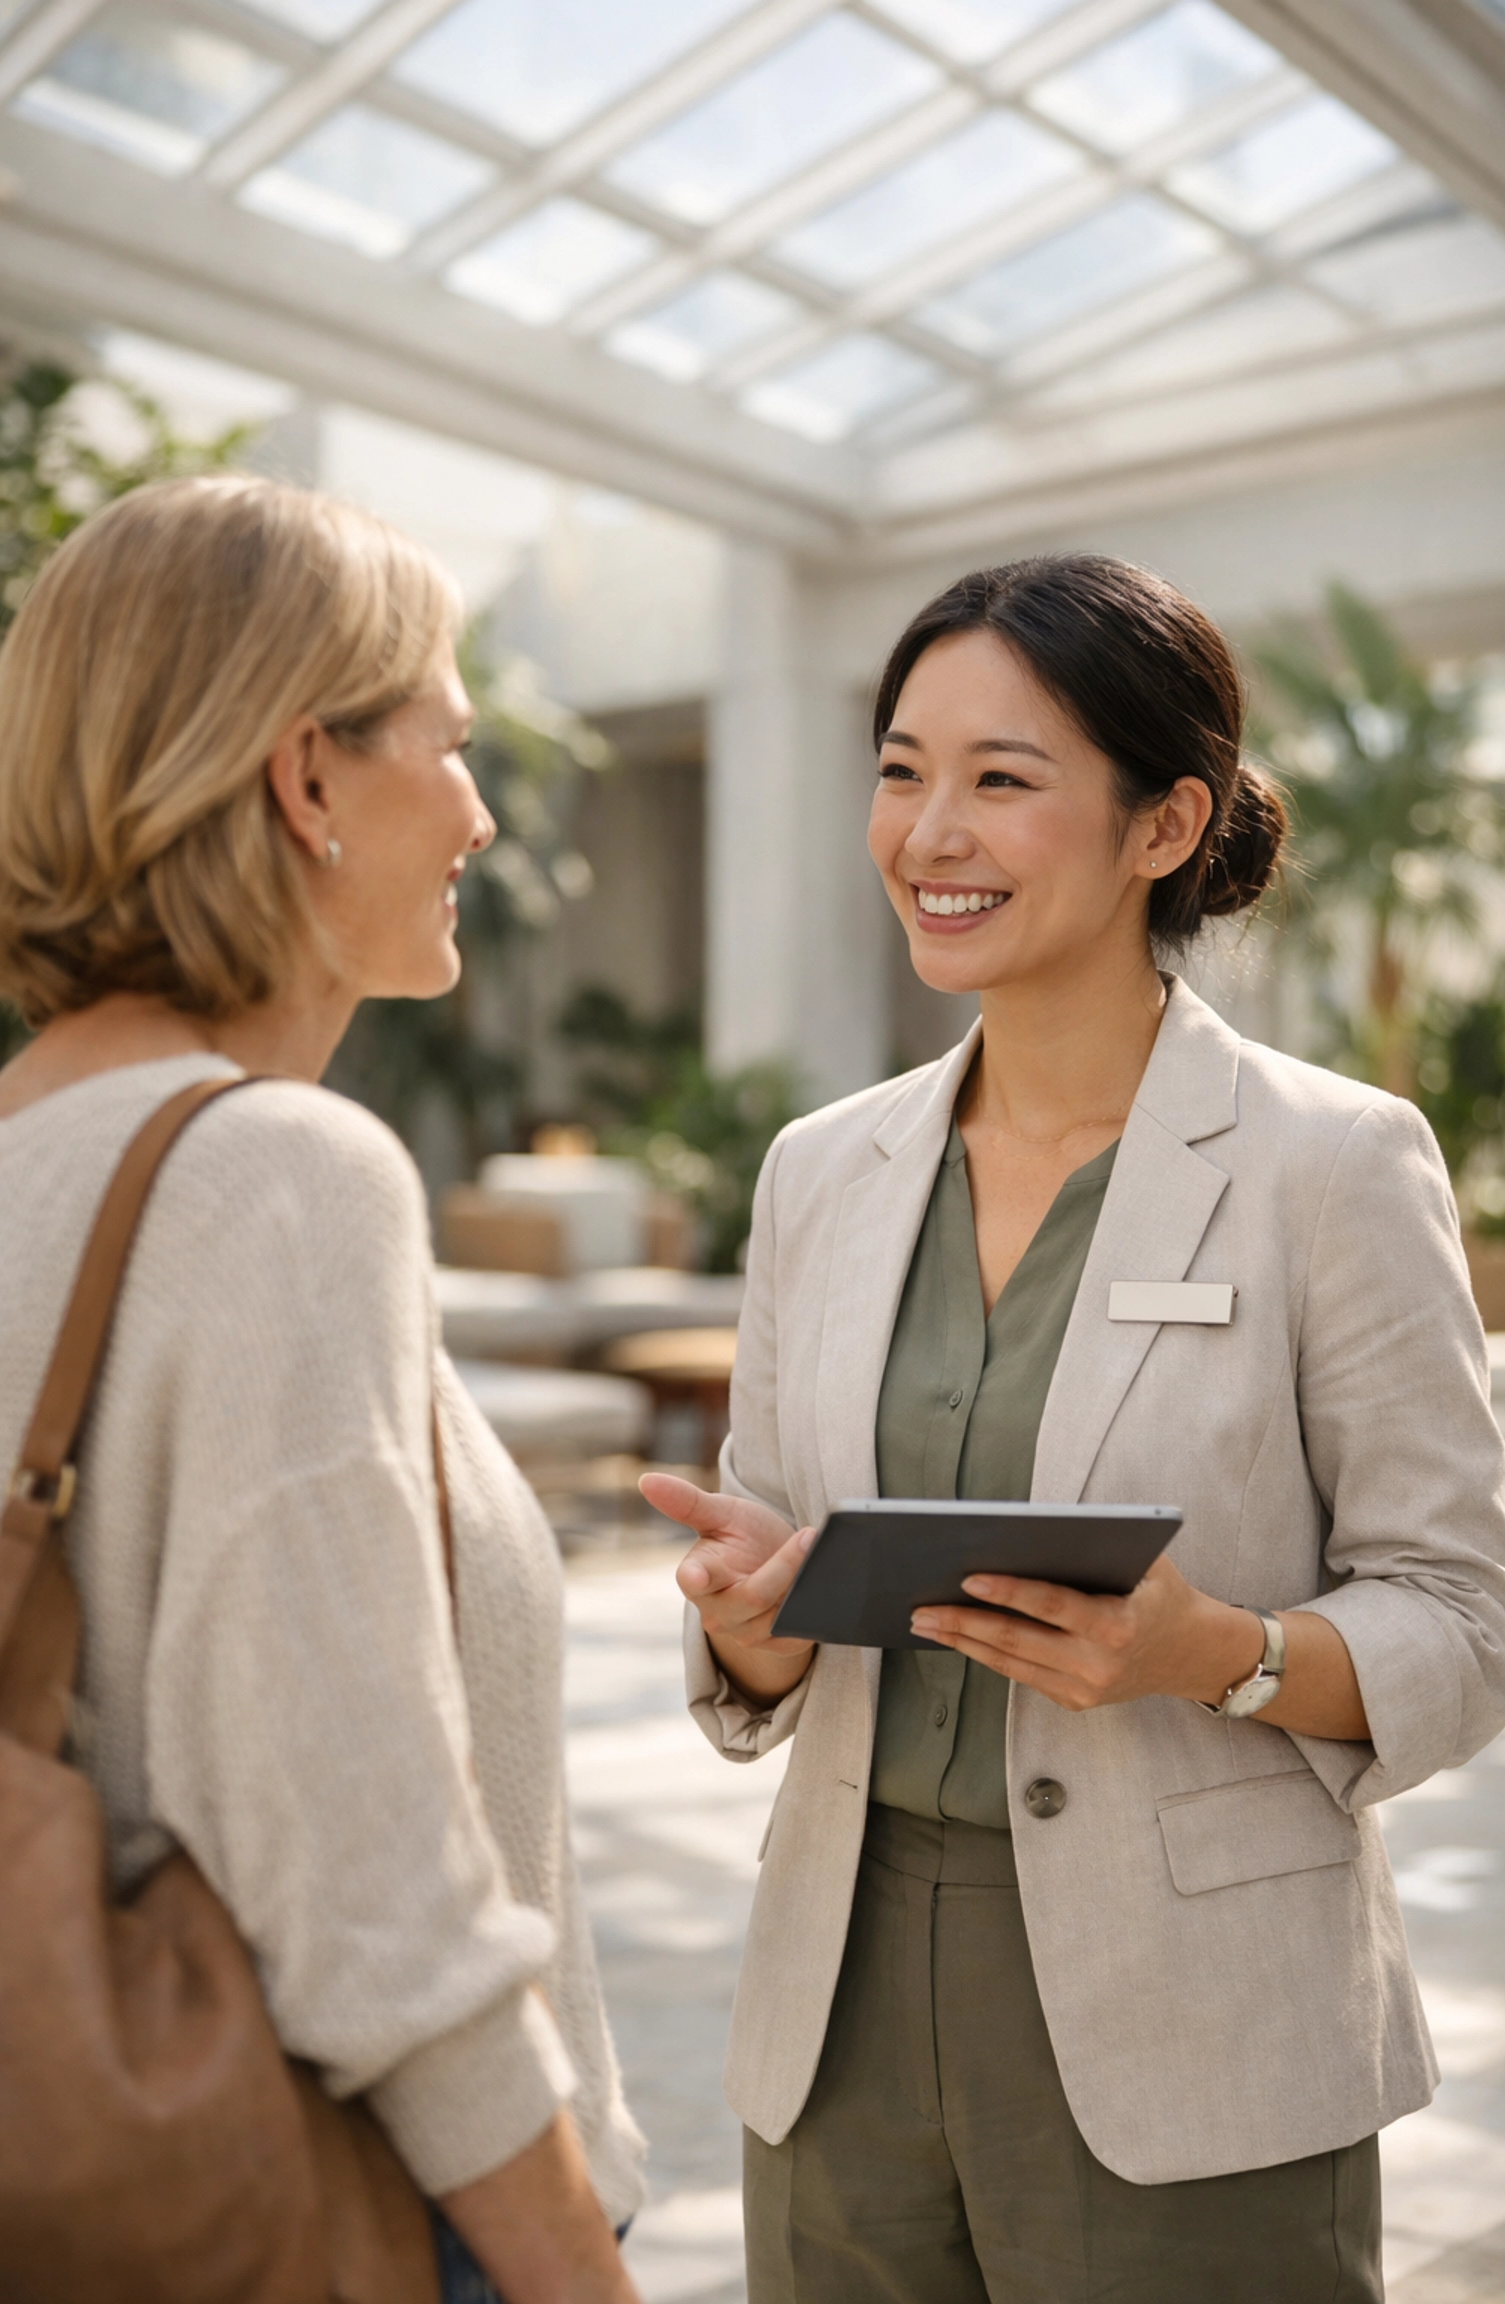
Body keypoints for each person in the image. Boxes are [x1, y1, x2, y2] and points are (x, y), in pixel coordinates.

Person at [645, 554, 1505, 2303]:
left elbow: (1467, 1615)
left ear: (1163, 826)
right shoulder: (823, 1171)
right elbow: (771, 1541)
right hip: (841, 2010)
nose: (929, 832)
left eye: (1002, 779)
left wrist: (1227, 1653)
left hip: (1197, 2033)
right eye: (901, 770)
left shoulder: (1329, 1164)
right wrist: (749, 1633)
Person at [0, 476, 644, 2304]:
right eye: (450, 740)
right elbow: (379, 1904)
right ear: (308, 778)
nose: (483, 814)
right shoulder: (281, 1179)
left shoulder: (0, 1166)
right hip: (327, 2206)